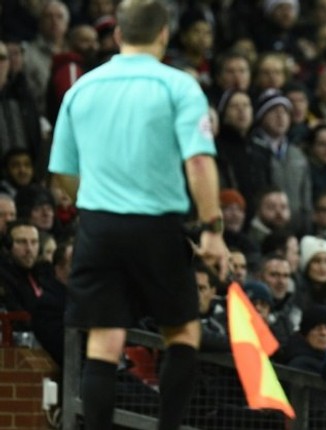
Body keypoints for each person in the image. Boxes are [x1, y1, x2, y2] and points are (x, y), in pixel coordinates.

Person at [47, 1, 229, 429]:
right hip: (156, 225)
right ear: (164, 34)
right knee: (183, 333)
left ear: (117, 35)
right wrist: (213, 229)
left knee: (104, 343)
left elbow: (62, 174)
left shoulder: (82, 89)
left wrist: (97, 198)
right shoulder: (179, 86)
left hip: (97, 227)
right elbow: (200, 163)